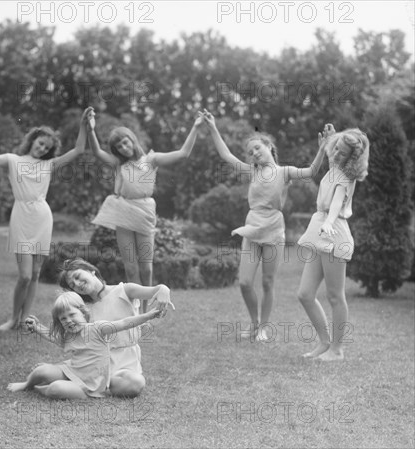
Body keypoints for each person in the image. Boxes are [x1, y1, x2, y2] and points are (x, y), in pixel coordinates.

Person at [0, 108, 92, 331]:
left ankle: (26, 319)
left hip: (42, 217)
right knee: (25, 276)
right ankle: (13, 319)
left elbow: (79, 149)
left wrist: (84, 124)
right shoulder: (12, 160)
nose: (42, 148)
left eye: (47, 146)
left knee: (35, 273)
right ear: (33, 139)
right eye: (40, 143)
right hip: (21, 217)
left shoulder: (49, 164)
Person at [201, 109, 331, 341]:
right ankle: (254, 323)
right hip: (252, 226)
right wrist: (212, 127)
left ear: (269, 147)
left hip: (274, 229)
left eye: (257, 148)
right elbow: (226, 155)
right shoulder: (251, 172)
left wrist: (322, 148)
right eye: (250, 152)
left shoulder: (284, 172)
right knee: (244, 282)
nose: (253, 154)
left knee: (268, 282)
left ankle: (263, 328)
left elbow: (312, 171)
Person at [86, 110, 203, 301]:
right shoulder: (119, 164)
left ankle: (146, 312)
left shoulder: (151, 159)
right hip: (123, 212)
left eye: (125, 142)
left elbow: (183, 154)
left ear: (132, 140)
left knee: (146, 268)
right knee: (131, 268)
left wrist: (196, 127)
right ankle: (135, 311)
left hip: (145, 213)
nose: (123, 148)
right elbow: (98, 152)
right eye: (118, 147)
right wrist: (91, 129)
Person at [296, 128, 370, 361]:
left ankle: (336, 350)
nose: (335, 153)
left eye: (341, 151)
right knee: (305, 294)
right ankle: (325, 342)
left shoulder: (345, 178)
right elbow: (331, 153)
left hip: (334, 232)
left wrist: (328, 222)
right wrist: (331, 139)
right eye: (336, 148)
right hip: (320, 230)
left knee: (335, 295)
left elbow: (337, 204)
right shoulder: (334, 166)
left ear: (351, 158)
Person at [7, 291, 163, 399]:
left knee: (56, 389)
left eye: (72, 315)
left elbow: (124, 323)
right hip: (71, 372)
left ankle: (41, 389)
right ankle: (27, 384)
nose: (68, 320)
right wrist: (36, 327)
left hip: (91, 385)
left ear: (83, 312)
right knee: (42, 371)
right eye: (63, 319)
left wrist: (149, 315)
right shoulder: (69, 336)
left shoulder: (98, 328)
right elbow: (53, 337)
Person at [56, 257, 174, 397]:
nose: (77, 284)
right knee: (48, 374)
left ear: (91, 271)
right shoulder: (84, 308)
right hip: (95, 360)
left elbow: (156, 290)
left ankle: (91, 386)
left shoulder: (124, 290)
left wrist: (164, 289)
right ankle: (85, 382)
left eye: (77, 276)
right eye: (73, 285)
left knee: (135, 383)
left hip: (125, 363)